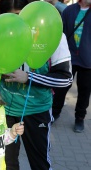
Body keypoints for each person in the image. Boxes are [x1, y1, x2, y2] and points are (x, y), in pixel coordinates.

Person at [0, 0, 73, 169]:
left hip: (36, 111)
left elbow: (66, 79)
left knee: (39, 164)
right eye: (11, 17)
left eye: (20, 16)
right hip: (4, 110)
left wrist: (29, 77)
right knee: (5, 163)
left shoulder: (54, 35)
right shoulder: (1, 29)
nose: (16, 23)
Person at [52, 0, 91, 133]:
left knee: (85, 91)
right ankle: (55, 113)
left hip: (88, 61)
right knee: (61, 87)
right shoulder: (69, 10)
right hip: (69, 56)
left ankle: (79, 118)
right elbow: (60, 33)